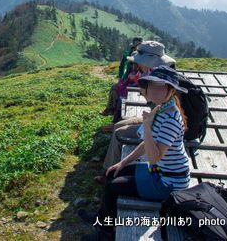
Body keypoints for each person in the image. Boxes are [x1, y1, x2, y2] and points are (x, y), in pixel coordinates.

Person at [80, 66, 190, 240]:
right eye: (152, 85)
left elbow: (154, 157)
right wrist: (123, 162)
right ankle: (101, 219)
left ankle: (105, 233)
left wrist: (146, 125)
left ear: (171, 90)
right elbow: (148, 144)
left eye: (161, 86)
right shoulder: (162, 108)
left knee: (112, 187)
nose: (154, 90)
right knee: (113, 172)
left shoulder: (170, 118)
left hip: (168, 182)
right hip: (160, 172)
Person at [101, 41, 175, 133]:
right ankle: (114, 122)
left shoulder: (158, 80)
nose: (137, 63)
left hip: (156, 124)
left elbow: (155, 107)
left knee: (118, 131)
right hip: (153, 119)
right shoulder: (153, 74)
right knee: (117, 127)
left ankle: (114, 122)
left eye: (139, 60)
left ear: (148, 61)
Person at [101, 37, 143, 117]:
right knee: (115, 88)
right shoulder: (128, 53)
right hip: (129, 78)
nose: (137, 47)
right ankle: (110, 109)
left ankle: (114, 112)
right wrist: (121, 77)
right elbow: (122, 65)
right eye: (136, 46)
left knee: (117, 89)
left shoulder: (144, 57)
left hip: (136, 82)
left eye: (139, 45)